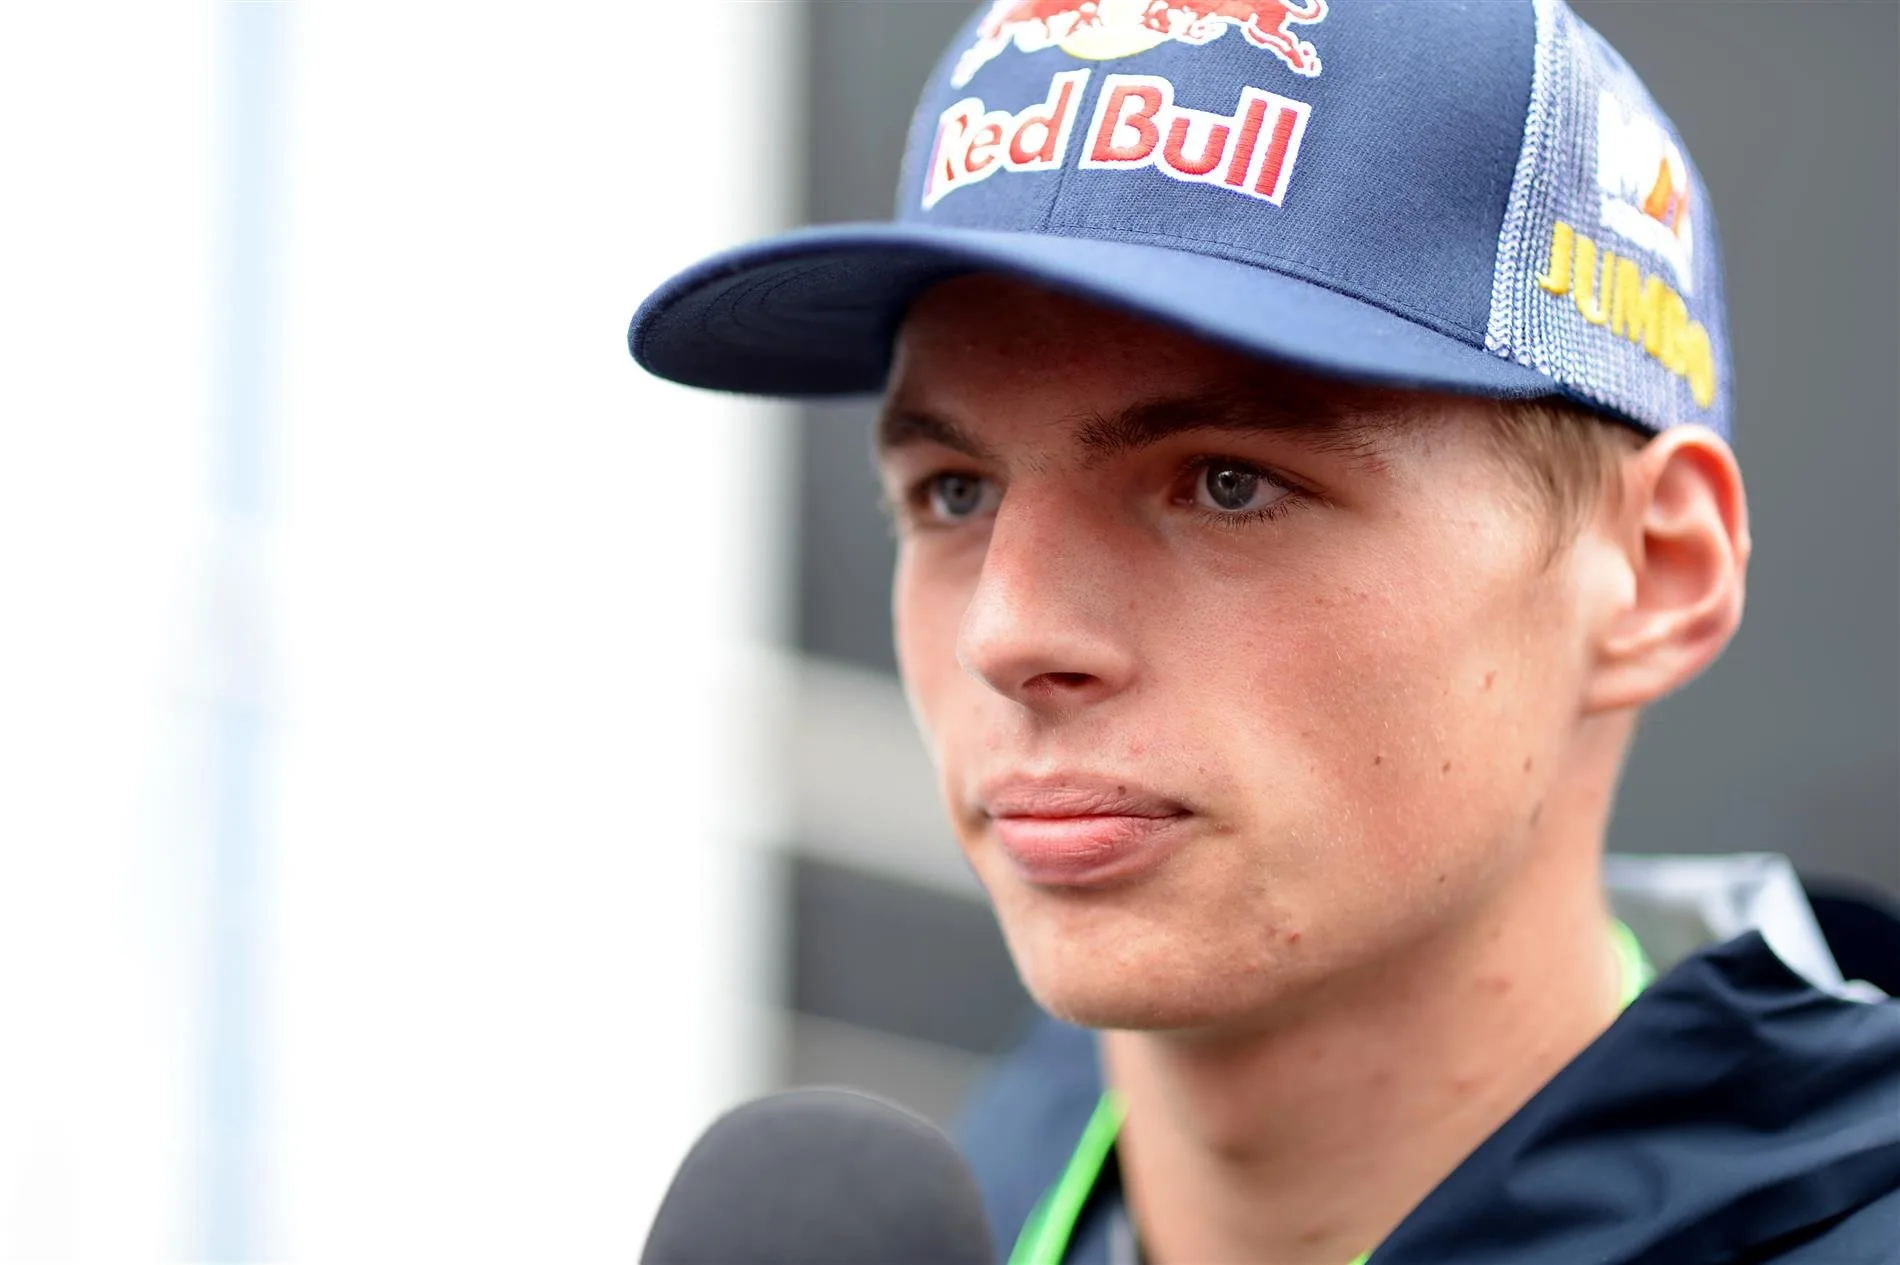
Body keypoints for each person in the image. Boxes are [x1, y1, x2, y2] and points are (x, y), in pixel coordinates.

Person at [629, 2, 1900, 1261]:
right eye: (955, 493)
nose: (1006, 633)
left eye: (1228, 484)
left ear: (1656, 570)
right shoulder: (970, 1199)